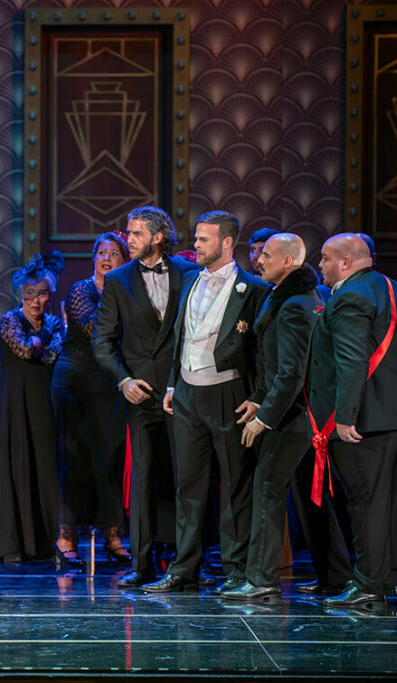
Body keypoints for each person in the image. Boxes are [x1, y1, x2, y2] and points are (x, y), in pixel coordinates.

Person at [144, 210, 270, 594]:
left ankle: (235, 569)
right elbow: (179, 336)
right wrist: (172, 384)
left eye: (203, 239)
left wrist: (258, 398)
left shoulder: (254, 289)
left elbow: (264, 350)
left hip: (229, 394)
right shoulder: (189, 280)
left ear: (227, 242)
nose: (195, 245)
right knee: (188, 485)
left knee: (235, 484)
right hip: (186, 393)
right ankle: (184, 569)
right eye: (196, 238)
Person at [308, 234, 397, 607]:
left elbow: (352, 360)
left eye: (325, 258)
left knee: (366, 503)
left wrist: (345, 416)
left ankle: (367, 584)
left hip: (367, 419)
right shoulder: (394, 288)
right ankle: (385, 578)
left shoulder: (349, 296)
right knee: (390, 501)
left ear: (345, 262)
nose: (320, 265)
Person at [92, 206, 200, 587]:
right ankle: (141, 565)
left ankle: (188, 565)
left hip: (182, 390)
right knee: (142, 478)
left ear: (157, 237)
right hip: (140, 394)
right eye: (129, 232)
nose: (129, 239)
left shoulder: (189, 273)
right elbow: (102, 340)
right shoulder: (118, 280)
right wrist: (124, 380)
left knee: (188, 478)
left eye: (136, 233)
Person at [221, 234, 321, 601]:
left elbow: (291, 373)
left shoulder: (294, 305)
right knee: (308, 499)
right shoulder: (289, 297)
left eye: (266, 254)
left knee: (266, 490)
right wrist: (257, 399)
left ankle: (262, 579)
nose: (259, 259)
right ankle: (336, 575)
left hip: (292, 417)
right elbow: (274, 363)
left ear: (288, 261)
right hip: (292, 413)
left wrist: (265, 416)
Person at [0, 252, 64, 561]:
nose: (36, 301)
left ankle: (41, 542)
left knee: (42, 468)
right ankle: (13, 542)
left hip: (43, 404)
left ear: (50, 294)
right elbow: (28, 351)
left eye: (42, 294)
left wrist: (46, 337)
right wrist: (45, 334)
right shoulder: (10, 320)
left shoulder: (54, 323)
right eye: (30, 294)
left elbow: (51, 355)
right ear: (21, 294)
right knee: (16, 467)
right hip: (13, 405)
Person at [52, 233, 131, 564]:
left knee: (109, 461)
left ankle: (112, 535)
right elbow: (95, 330)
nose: (106, 258)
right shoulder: (80, 290)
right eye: (102, 252)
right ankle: (66, 535)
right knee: (73, 460)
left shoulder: (128, 293)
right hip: (75, 381)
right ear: (93, 258)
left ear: (125, 261)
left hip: (110, 384)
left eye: (114, 253)